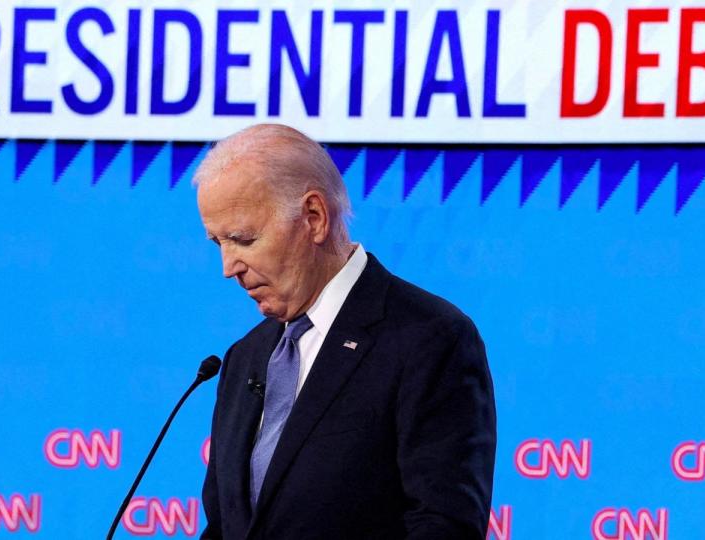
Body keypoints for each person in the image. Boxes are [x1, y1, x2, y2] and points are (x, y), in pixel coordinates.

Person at [194, 123, 496, 539]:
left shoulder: (429, 339)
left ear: (314, 218)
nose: (228, 267)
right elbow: (226, 528)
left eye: (243, 239)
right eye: (217, 243)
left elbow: (443, 526)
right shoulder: (245, 356)